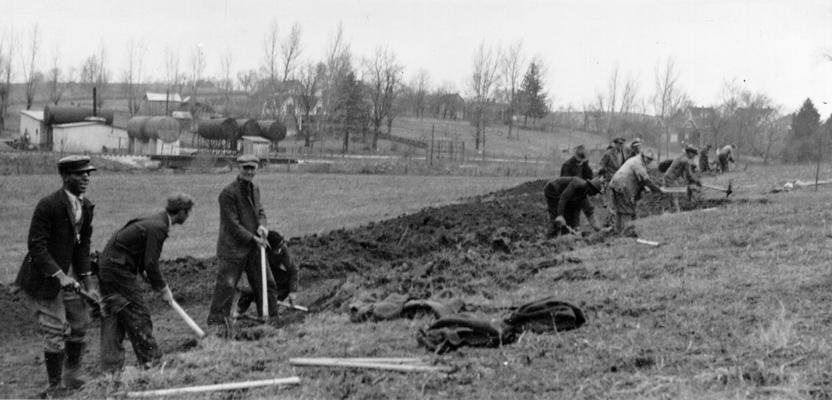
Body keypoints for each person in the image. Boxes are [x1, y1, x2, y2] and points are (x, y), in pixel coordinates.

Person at [13, 155, 98, 395]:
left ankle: (72, 374)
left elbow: (82, 247)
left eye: (88, 173)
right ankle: (54, 386)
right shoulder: (48, 205)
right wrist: (61, 276)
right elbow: (36, 247)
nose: (85, 177)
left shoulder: (86, 207)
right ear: (64, 177)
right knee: (55, 328)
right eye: (79, 174)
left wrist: (87, 282)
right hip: (42, 277)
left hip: (69, 275)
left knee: (80, 321)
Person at [98, 193, 194, 373]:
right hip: (118, 269)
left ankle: (110, 368)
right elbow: (151, 263)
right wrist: (163, 288)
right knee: (138, 313)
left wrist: (151, 279)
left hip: (109, 266)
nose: (188, 216)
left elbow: (141, 256)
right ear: (180, 212)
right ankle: (152, 362)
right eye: (187, 212)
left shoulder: (155, 220)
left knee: (115, 314)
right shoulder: (159, 227)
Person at [207, 155, 278, 331]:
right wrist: (253, 238)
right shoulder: (228, 194)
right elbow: (232, 224)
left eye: (252, 168)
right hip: (233, 249)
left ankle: (271, 319)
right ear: (239, 168)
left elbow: (260, 210)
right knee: (227, 286)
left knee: (267, 283)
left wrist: (262, 226)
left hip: (253, 247)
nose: (249, 171)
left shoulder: (255, 189)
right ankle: (217, 325)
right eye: (246, 168)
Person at [235, 231, 299, 316]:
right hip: (257, 273)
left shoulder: (282, 248)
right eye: (277, 249)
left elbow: (293, 270)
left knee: (285, 282)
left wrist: (293, 291)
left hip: (273, 274)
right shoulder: (256, 250)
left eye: (280, 248)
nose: (279, 251)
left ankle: (273, 308)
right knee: (249, 289)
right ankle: (238, 312)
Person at [608, 149, 667, 233]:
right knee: (627, 209)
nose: (649, 161)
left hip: (615, 184)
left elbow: (639, 180)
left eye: (651, 160)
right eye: (648, 159)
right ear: (643, 156)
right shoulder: (638, 164)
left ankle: (618, 230)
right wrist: (658, 189)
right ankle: (626, 232)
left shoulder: (634, 159)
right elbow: (646, 180)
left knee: (620, 210)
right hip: (623, 186)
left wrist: (644, 188)